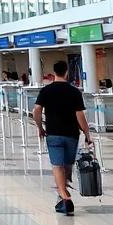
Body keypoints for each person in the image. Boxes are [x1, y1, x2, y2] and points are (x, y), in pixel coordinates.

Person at [33, 60, 91, 216]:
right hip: (71, 134)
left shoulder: (46, 90)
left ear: (54, 72)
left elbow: (36, 111)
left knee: (57, 166)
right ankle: (63, 195)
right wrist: (87, 134)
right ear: (66, 72)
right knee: (67, 166)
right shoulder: (74, 91)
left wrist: (40, 127)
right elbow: (80, 116)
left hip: (53, 134)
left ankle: (64, 196)